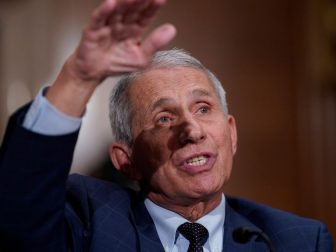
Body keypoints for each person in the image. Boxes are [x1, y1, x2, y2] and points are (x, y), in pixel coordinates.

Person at [0, 0, 333, 251]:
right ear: (125, 160)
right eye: (164, 118)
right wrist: (78, 79)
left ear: (231, 133)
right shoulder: (89, 220)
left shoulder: (297, 239)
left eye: (203, 108)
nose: (192, 130)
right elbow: (20, 214)